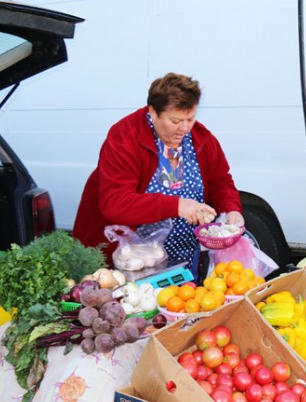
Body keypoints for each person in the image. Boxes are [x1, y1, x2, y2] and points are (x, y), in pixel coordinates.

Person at [74, 73, 244, 277]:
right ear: (153, 112)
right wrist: (177, 206)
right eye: (176, 120)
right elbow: (115, 202)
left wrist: (231, 209)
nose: (185, 128)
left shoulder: (201, 138)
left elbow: (221, 182)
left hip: (185, 259)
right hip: (132, 263)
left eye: (190, 119)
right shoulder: (124, 137)